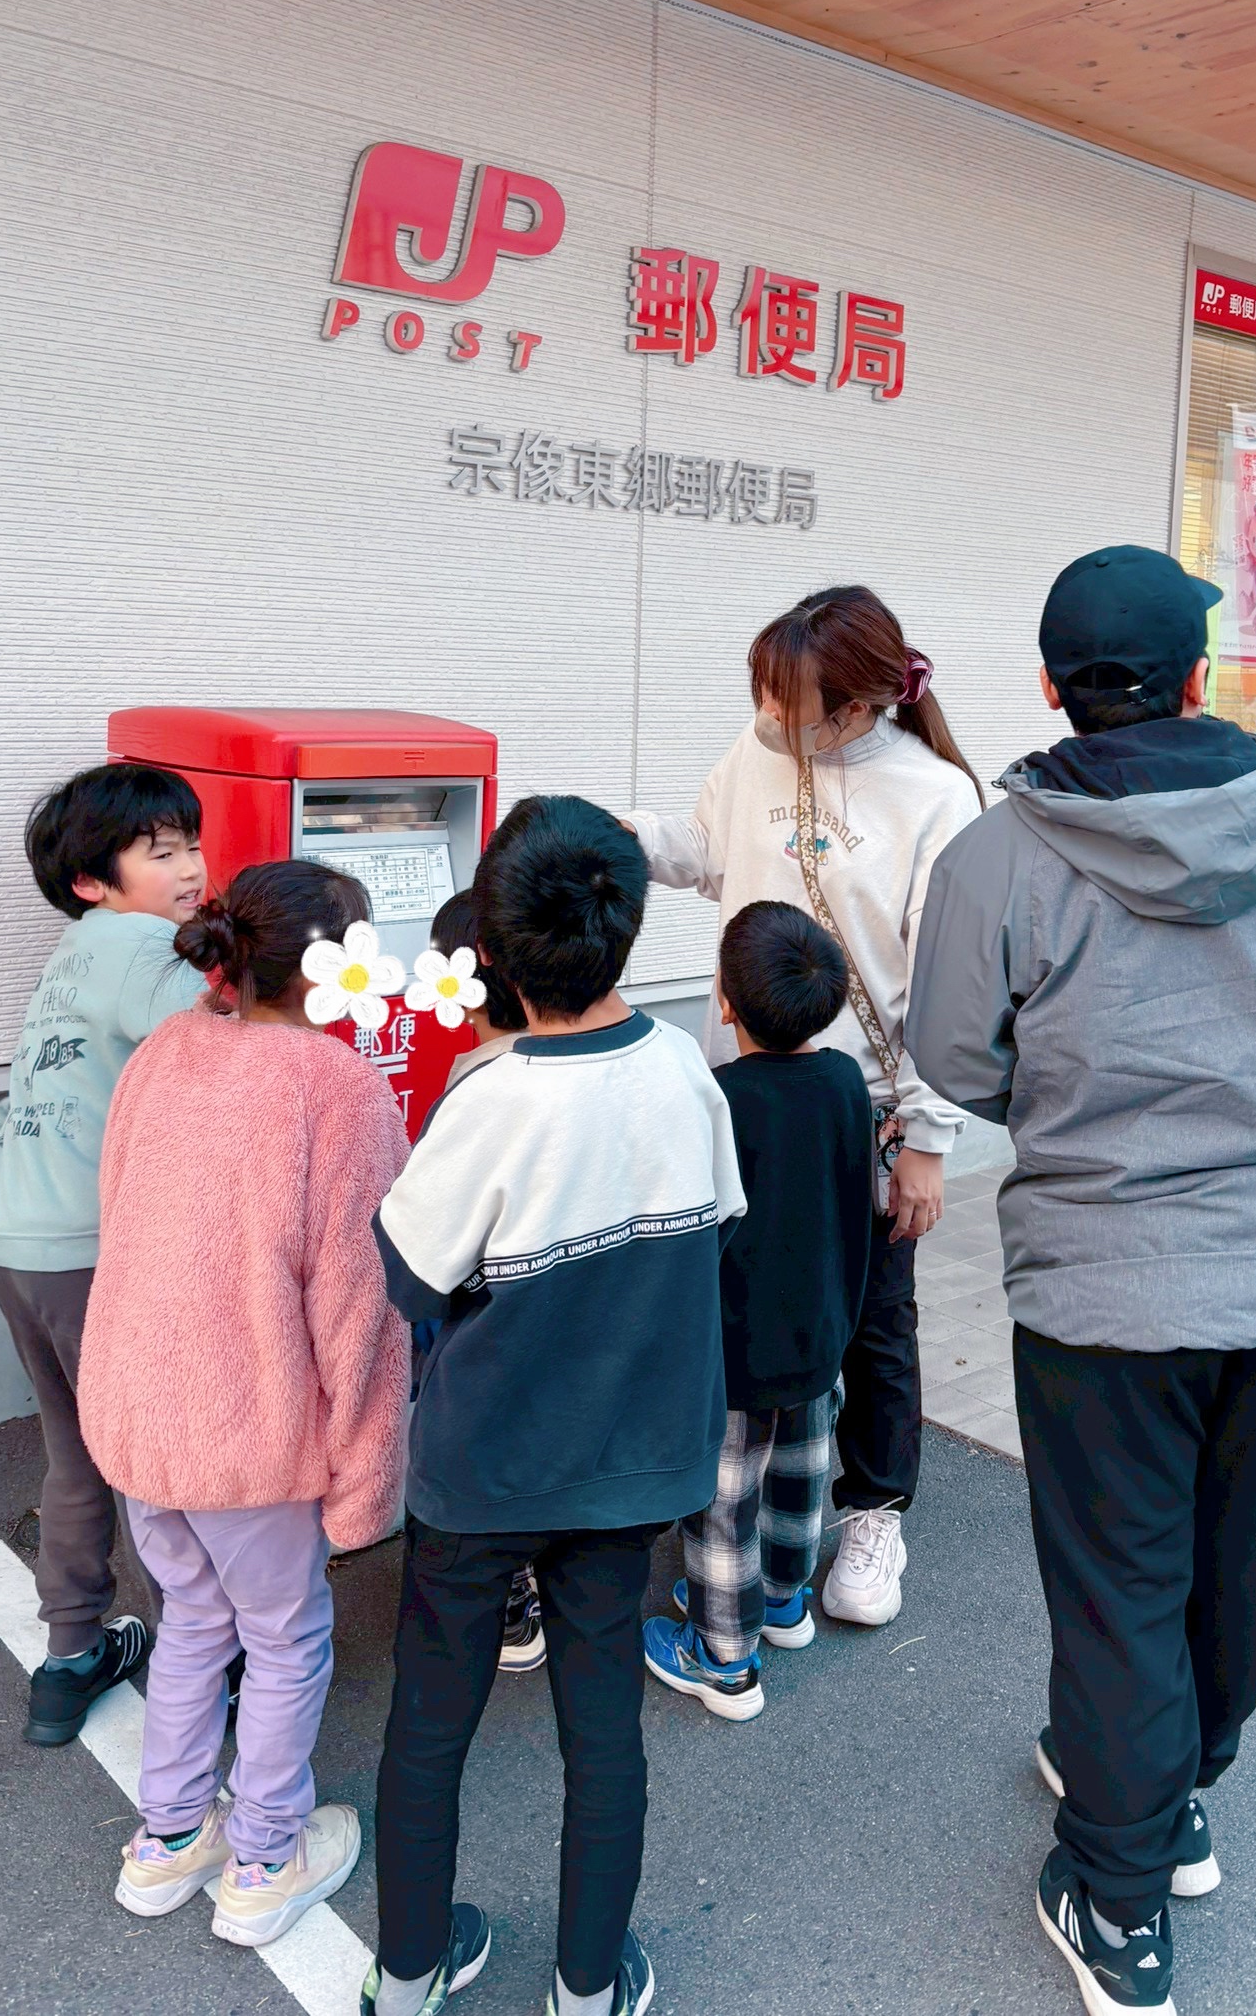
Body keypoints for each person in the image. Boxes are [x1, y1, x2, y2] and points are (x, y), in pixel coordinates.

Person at [907, 544, 1256, 2016]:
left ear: (1050, 688)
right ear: (1196, 679)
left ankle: (1116, 1894)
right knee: (1251, 1560)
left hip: (1101, 1285)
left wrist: (1070, 1106)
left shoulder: (996, 857)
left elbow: (955, 1059)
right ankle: (1165, 1791)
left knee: (1121, 1584)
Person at [364, 796, 744, 2016]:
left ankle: (408, 1968)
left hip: (483, 1468)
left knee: (431, 1726)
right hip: (629, 1460)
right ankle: (587, 1983)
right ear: (624, 927)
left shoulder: (490, 1099)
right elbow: (714, 1233)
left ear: (493, 951)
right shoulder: (683, 1071)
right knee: (603, 1729)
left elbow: (410, 1278)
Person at [628, 585, 982, 1628]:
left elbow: (948, 984)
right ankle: (739, 1507)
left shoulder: (936, 797)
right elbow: (704, 850)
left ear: (862, 703)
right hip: (738, 1095)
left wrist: (927, 1141)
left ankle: (873, 1510)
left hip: (858, 1110)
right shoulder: (759, 750)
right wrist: (614, 835)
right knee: (742, 1306)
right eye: (765, 696)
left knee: (872, 1315)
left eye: (793, 703)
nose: (772, 718)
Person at [78, 859, 411, 1949]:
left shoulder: (165, 1052)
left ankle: (169, 1838)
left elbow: (118, 1212)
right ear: (332, 965)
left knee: (193, 1623)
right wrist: (367, 1470)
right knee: (284, 1637)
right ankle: (265, 1857)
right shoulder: (337, 1087)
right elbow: (360, 1301)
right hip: (250, 1425)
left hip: (141, 1408)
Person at [0, 762, 209, 1746]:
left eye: (192, 845)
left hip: (13, 1236)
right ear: (89, 880)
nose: (191, 869)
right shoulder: (141, 948)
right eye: (162, 853)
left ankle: (71, 1657)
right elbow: (222, 1045)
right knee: (154, 1458)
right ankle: (203, 1660)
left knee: (76, 1452)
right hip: (88, 1247)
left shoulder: (77, 950)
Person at [644, 900, 873, 1720]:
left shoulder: (719, 1097)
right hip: (821, 1330)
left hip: (735, 1344)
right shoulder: (847, 1082)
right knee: (800, 1476)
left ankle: (724, 1658)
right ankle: (781, 1600)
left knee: (723, 1505)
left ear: (725, 1000)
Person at [425, 886, 544, 1676]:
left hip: (484, 1323)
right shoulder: (559, 1067)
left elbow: (435, 1243)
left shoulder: (472, 1085)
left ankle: (508, 1603)